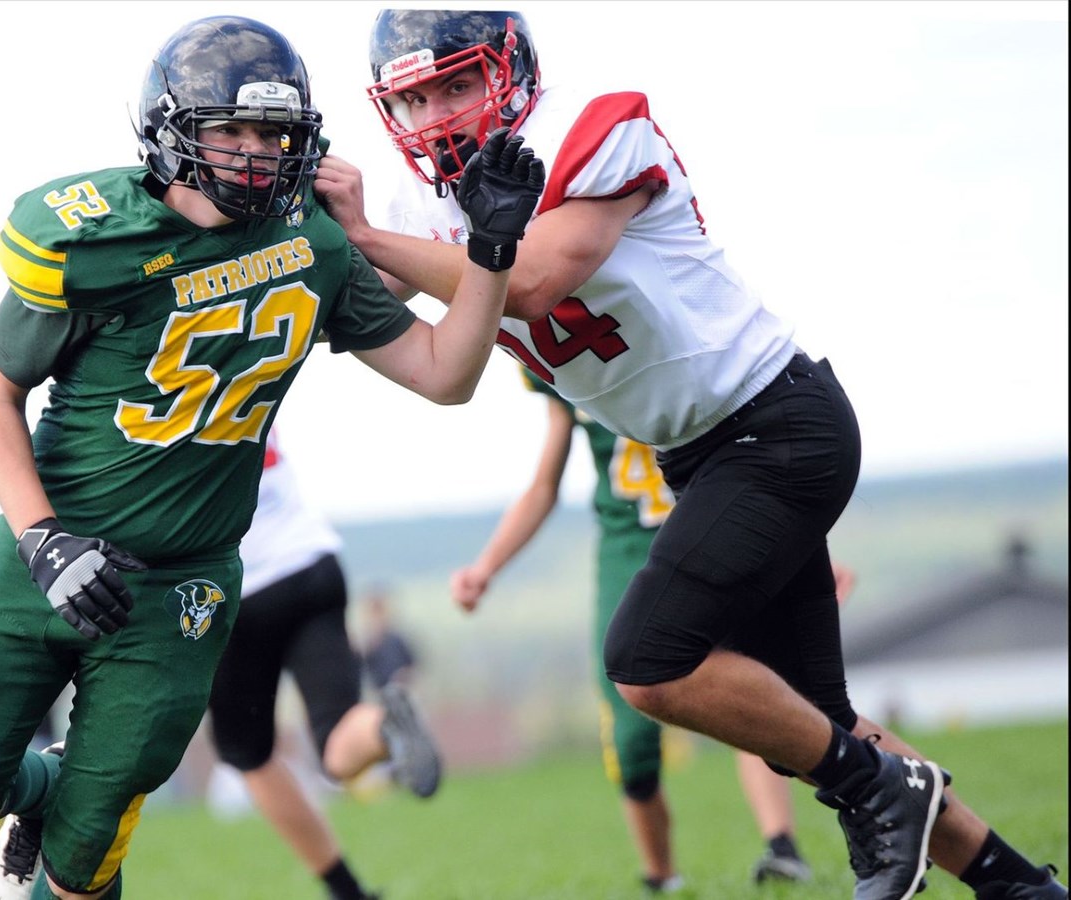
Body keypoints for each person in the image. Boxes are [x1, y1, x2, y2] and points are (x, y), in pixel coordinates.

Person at [314, 10, 1068, 900]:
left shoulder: (593, 124)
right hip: (702, 454)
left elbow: (534, 280)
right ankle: (1017, 886)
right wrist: (283, 217)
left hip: (777, 425)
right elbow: (349, 287)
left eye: (458, 84)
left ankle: (882, 791)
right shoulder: (415, 199)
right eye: (416, 97)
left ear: (509, 72)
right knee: (811, 724)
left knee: (647, 660)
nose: (440, 113)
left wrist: (364, 238)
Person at [0, 15, 546, 900]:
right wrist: (46, 541)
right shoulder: (99, 241)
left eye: (271, 134)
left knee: (86, 858)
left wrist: (491, 254)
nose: (252, 154)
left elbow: (445, 374)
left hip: (184, 586)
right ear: (173, 130)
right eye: (229, 130)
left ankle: (69, 814)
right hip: (45, 555)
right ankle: (38, 791)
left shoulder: (311, 244)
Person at [450, 368, 818, 892]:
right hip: (630, 551)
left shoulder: (671, 320)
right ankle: (661, 877)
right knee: (630, 733)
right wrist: (486, 566)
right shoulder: (552, 345)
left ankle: (784, 847)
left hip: (715, 526)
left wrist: (810, 544)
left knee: (749, 684)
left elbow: (765, 443)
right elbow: (543, 485)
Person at [207, 428, 441, 900]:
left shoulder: (157, 381)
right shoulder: (252, 356)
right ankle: (382, 725)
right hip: (313, 562)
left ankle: (345, 890)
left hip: (238, 586)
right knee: (337, 740)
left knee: (247, 754)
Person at [355, 585, 419, 691]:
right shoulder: (367, 643)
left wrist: (403, 675)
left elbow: (412, 664)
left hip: (399, 691)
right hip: (377, 692)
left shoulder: (396, 640)